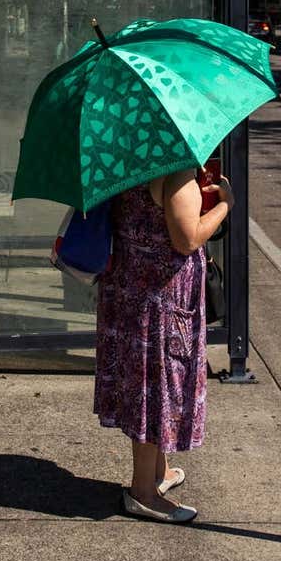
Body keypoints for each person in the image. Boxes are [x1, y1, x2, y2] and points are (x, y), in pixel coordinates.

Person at [94, 167, 232, 523]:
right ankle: (142, 492)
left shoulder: (129, 159)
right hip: (161, 300)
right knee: (157, 389)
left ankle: (159, 471)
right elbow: (187, 238)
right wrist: (224, 207)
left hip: (130, 289)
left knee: (146, 384)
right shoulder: (175, 171)